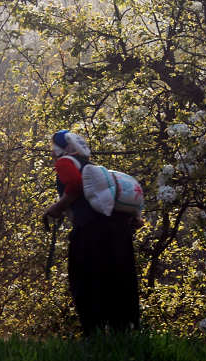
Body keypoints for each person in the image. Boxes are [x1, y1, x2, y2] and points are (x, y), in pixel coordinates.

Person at [43, 130, 140, 335]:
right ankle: (123, 331)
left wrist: (58, 207)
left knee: (86, 280)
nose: (53, 150)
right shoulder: (94, 169)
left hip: (90, 231)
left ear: (68, 147)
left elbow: (76, 185)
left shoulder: (65, 162)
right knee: (118, 279)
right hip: (117, 232)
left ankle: (93, 334)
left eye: (55, 145)